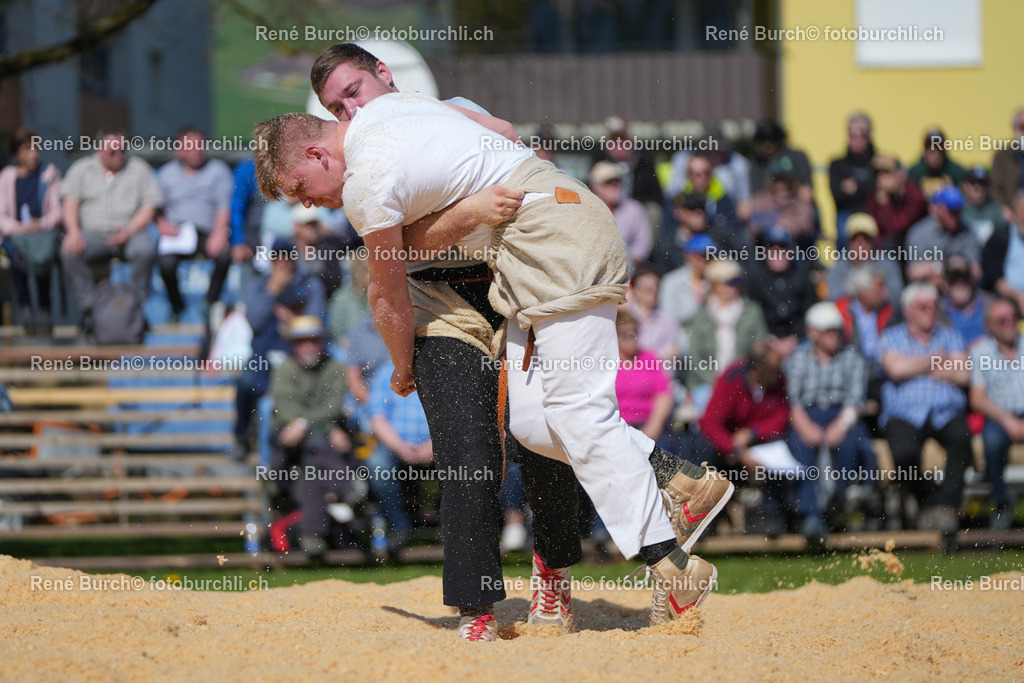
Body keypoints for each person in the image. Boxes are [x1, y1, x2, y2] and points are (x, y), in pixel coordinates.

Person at [255, 92, 733, 633]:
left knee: (580, 416)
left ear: (318, 154)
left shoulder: (366, 178)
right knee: (532, 426)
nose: (308, 205)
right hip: (523, 255)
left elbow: (385, 291)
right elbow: (498, 131)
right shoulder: (390, 110)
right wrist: (467, 212)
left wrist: (402, 366)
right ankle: (677, 477)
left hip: (550, 239)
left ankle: (671, 564)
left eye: (300, 189)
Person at [309, 43, 587, 640]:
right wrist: (465, 213)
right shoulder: (358, 161)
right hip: (433, 301)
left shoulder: (451, 112)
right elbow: (393, 257)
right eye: (336, 109)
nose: (350, 112)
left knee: (545, 436)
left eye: (353, 93)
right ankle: (476, 605)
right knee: (468, 454)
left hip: (511, 287)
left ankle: (553, 571)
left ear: (384, 74)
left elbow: (505, 137)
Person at [879, 282, 971, 532]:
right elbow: (896, 369)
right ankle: (929, 501)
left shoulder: (950, 335)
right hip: (904, 413)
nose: (930, 311)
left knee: (961, 438)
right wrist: (935, 360)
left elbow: (963, 374)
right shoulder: (891, 336)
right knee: (904, 453)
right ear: (908, 310)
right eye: (923, 306)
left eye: (933, 306)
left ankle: (948, 506)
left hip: (945, 412)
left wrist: (915, 366)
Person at [785, 302, 876, 542]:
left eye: (836, 330)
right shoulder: (798, 357)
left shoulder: (852, 358)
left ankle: (837, 506)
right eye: (828, 331)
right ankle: (811, 514)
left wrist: (841, 425)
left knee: (849, 445)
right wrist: (804, 426)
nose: (834, 335)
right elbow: (792, 400)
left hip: (842, 414)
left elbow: (856, 400)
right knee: (801, 447)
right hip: (808, 414)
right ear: (813, 332)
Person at [268, 315, 359, 555]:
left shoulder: (334, 367)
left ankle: (312, 536)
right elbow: (285, 408)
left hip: (315, 444)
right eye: (302, 341)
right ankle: (346, 485)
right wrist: (326, 427)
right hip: (290, 446)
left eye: (313, 340)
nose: (308, 345)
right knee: (315, 441)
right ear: (292, 344)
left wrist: (306, 423)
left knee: (312, 464)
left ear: (322, 342)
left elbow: (334, 406)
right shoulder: (285, 369)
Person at [60, 127, 161, 331]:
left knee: (144, 250)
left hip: (130, 233)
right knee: (68, 251)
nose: (118, 155)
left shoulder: (139, 168)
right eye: (112, 152)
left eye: (122, 150)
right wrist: (73, 232)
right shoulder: (82, 169)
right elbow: (70, 203)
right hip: (93, 234)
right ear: (99, 149)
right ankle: (89, 310)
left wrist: (129, 231)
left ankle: (136, 308)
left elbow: (149, 206)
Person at [232, 239, 325, 460]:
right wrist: (272, 290)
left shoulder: (309, 283)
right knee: (245, 384)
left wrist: (290, 320)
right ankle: (241, 438)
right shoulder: (259, 284)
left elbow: (316, 323)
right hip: (264, 353)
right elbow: (254, 321)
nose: (282, 263)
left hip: (298, 355)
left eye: (287, 257)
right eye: (277, 258)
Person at [691, 339, 790, 536]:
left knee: (786, 449)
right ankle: (704, 519)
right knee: (702, 449)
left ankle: (774, 518)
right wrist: (735, 449)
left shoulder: (778, 381)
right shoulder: (732, 379)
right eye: (773, 370)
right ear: (757, 368)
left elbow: (781, 416)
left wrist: (753, 432)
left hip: (760, 443)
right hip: (726, 447)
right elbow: (710, 423)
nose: (779, 375)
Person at [155, 125, 233, 323]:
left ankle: (210, 302)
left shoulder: (218, 170)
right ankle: (176, 307)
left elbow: (223, 207)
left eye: (199, 145)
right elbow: (156, 208)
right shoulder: (166, 174)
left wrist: (219, 234)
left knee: (224, 255)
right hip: (177, 232)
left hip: (206, 230)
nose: (196, 151)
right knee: (165, 263)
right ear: (179, 150)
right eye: (190, 146)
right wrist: (162, 225)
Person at [0, 128, 62, 335]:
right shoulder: (6, 177)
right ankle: (25, 306)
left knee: (43, 255)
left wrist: (40, 224)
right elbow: (1, 215)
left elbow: (57, 210)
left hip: (42, 232)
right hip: (15, 235)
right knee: (18, 258)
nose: (33, 154)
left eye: (36, 148)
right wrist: (19, 228)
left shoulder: (49, 173)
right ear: (17, 152)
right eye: (27, 149)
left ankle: (45, 308)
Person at [969, 297, 1024, 529]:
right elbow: (977, 398)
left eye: (1013, 317)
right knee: (992, 442)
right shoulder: (980, 352)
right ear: (990, 325)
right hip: (1000, 416)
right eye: (1002, 320)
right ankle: (1002, 502)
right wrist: (1008, 421)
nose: (1010, 323)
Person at [686, 259, 769, 413]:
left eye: (737, 281)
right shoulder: (702, 314)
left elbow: (760, 348)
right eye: (728, 282)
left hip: (744, 382)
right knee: (709, 409)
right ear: (716, 284)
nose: (733, 287)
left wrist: (742, 380)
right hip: (708, 383)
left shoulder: (751, 312)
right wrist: (717, 383)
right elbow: (695, 356)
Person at [746, 226, 818, 344]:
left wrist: (795, 337)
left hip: (799, 340)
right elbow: (752, 314)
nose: (777, 251)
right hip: (766, 340)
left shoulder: (802, 276)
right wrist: (768, 338)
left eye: (782, 247)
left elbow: (810, 310)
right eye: (771, 247)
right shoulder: (756, 278)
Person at [615, 309, 673, 443]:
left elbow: (664, 395)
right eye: (624, 333)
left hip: (647, 425)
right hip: (616, 427)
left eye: (634, 332)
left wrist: (653, 427)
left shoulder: (649, 358)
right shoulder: (606, 361)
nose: (631, 336)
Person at [904, 186, 981, 284]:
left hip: (961, 284)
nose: (955, 215)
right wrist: (943, 266)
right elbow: (913, 272)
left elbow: (977, 271)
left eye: (958, 211)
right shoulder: (920, 233)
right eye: (951, 211)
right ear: (938, 209)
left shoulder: (967, 232)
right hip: (928, 286)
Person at [826, 213, 902, 308]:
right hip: (850, 314)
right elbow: (835, 297)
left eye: (866, 238)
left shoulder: (887, 264)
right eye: (855, 239)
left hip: (882, 313)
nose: (860, 244)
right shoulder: (839, 266)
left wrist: (881, 294)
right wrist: (864, 295)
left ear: (873, 242)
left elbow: (897, 297)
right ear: (848, 242)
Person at [658, 234, 715, 355]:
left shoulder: (715, 282)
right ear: (690, 257)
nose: (708, 260)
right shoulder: (671, 282)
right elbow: (669, 321)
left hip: (709, 346)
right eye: (704, 256)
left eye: (711, 256)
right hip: (681, 347)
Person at [589, 161, 651, 266]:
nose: (614, 185)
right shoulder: (588, 210)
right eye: (608, 182)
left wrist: (627, 262)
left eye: (617, 181)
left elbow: (643, 245)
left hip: (627, 266)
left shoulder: (634, 209)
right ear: (596, 187)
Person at [829, 113, 876, 247]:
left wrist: (857, 187)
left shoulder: (878, 162)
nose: (858, 139)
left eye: (863, 134)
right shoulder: (837, 164)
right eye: (853, 134)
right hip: (848, 214)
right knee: (844, 234)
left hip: (874, 211)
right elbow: (838, 196)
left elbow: (880, 190)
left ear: (870, 136)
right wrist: (868, 186)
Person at [865, 154, 927, 251]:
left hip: (916, 244)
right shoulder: (874, 195)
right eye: (878, 173)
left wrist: (884, 203)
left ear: (901, 174)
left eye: (886, 173)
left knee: (891, 242)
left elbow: (895, 229)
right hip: (891, 245)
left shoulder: (913, 195)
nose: (881, 178)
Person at [981, 190, 1024, 316]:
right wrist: (1018, 296)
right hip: (1008, 301)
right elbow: (996, 280)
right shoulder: (1000, 238)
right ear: (1014, 213)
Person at [626, 264, 677, 359]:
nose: (653, 292)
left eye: (655, 288)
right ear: (635, 290)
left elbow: (673, 353)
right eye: (647, 289)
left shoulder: (667, 320)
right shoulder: (626, 318)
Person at [941, 255, 991, 346]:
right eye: (954, 278)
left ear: (971, 278)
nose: (960, 282)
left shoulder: (992, 304)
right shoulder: (936, 313)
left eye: (964, 276)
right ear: (945, 283)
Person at [907, 129, 966, 199]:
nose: (935, 155)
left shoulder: (957, 172)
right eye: (931, 149)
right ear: (925, 150)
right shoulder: (914, 173)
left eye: (938, 149)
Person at [960, 166, 1005, 249]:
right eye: (974, 185)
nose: (980, 190)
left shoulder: (995, 211)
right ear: (965, 186)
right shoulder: (959, 209)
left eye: (983, 185)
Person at [990, 108, 1024, 212]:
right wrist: (1004, 208)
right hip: (1013, 211)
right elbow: (995, 187)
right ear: (1014, 129)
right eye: (1023, 127)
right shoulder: (1002, 156)